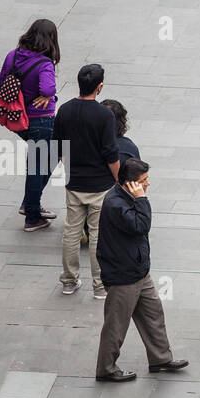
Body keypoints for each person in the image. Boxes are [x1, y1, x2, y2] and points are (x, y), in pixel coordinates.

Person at [95, 157, 189, 382]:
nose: (147, 184)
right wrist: (142, 200)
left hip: (138, 270)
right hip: (123, 275)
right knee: (116, 324)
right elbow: (141, 226)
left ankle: (160, 358)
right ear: (130, 184)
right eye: (144, 180)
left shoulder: (127, 198)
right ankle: (106, 369)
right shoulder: (116, 204)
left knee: (153, 313)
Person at [54, 63, 119, 298]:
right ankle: (100, 285)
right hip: (100, 185)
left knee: (72, 231)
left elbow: (58, 145)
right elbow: (111, 153)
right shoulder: (104, 115)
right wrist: (118, 179)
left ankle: (69, 281)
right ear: (99, 87)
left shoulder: (65, 110)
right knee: (97, 234)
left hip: (74, 182)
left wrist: (69, 166)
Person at [0, 20, 61, 230]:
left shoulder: (13, 55)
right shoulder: (45, 63)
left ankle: (31, 202)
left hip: (19, 119)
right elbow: (47, 87)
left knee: (46, 157)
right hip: (40, 120)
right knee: (39, 165)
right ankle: (32, 214)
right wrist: (47, 95)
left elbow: (2, 83)